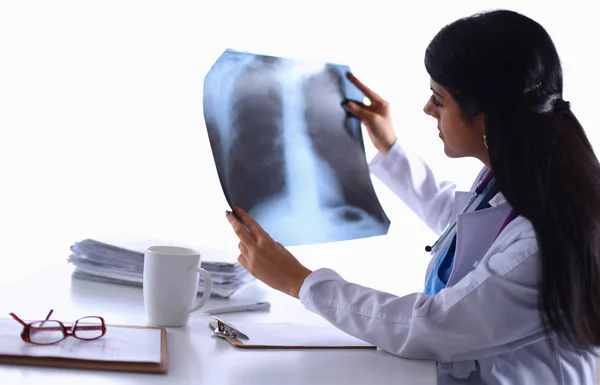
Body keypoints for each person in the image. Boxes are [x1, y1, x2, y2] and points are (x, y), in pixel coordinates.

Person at [225, 9, 600, 384]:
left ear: (485, 117)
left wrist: (301, 282)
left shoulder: (541, 245)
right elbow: (461, 232)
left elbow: (430, 326)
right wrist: (391, 148)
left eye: (438, 99)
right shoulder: (523, 182)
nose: (427, 110)